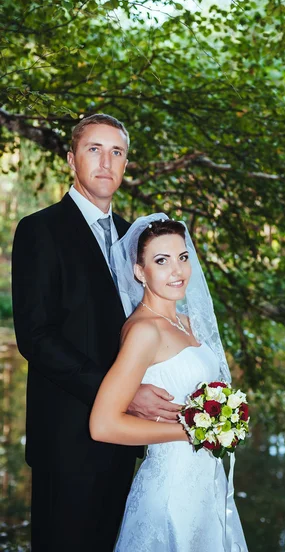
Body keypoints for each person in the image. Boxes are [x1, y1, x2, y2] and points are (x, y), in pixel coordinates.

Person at [11, 115, 182, 552]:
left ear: (125, 164)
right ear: (72, 159)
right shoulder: (39, 230)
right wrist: (121, 393)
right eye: (94, 149)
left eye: (117, 152)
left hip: (127, 443)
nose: (106, 162)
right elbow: (36, 336)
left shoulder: (135, 238)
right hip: (67, 441)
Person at [90, 213, 248, 551]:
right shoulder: (144, 331)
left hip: (207, 484)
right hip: (172, 491)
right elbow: (103, 425)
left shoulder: (188, 323)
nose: (177, 271)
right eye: (161, 261)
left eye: (183, 257)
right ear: (139, 271)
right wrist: (190, 431)